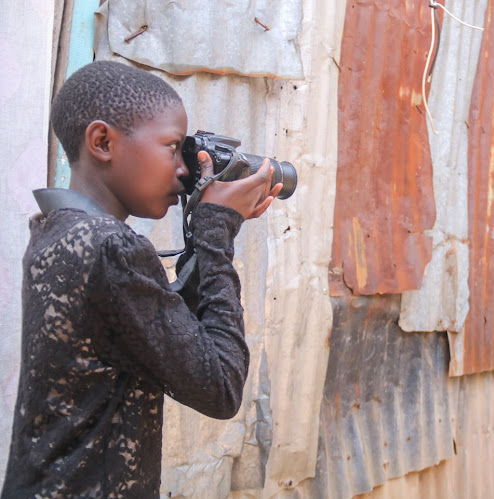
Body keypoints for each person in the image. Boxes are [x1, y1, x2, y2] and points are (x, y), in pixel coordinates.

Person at [1, 60, 283, 497]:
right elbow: (221, 387)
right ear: (102, 142)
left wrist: (208, 224)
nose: (184, 170)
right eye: (172, 147)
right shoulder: (112, 248)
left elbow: (161, 328)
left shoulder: (59, 229)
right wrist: (215, 234)